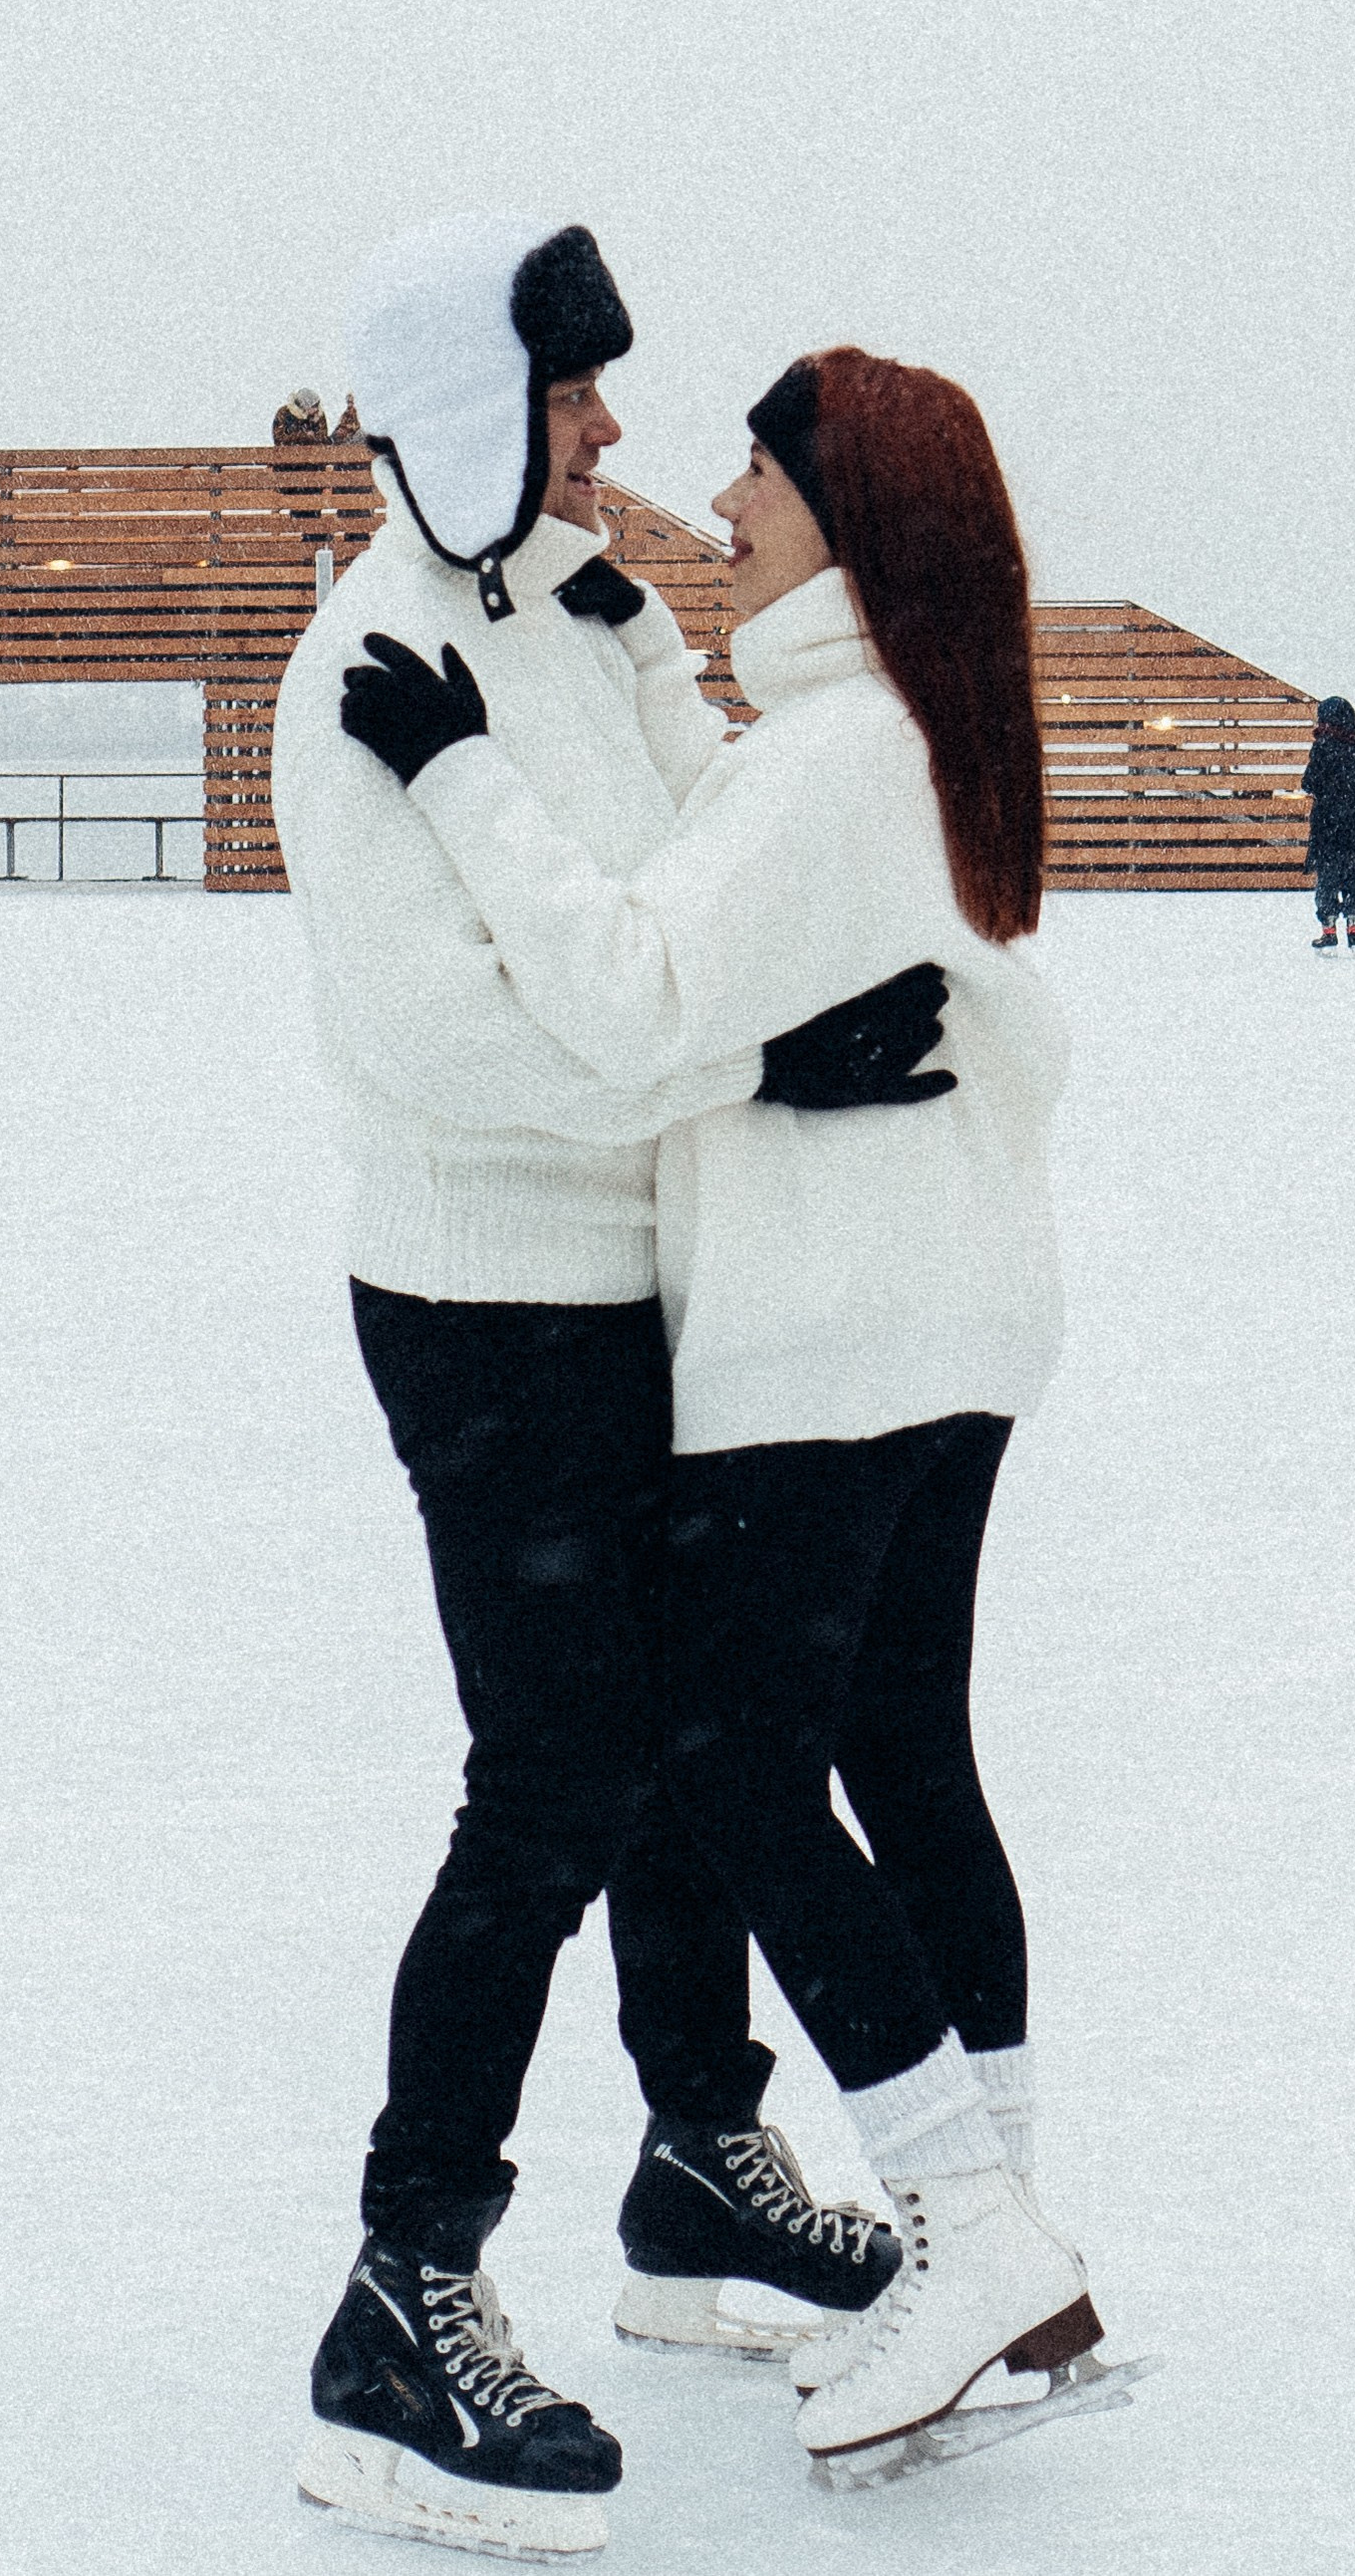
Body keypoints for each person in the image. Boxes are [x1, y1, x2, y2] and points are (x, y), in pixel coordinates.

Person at [348, 347, 1123, 2496]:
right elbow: (741, 840)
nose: (718, 495)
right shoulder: (906, 727)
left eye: (759, 468)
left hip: (821, 1331)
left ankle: (966, 2229)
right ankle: (1000, 2219)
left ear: (841, 511)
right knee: (903, 1750)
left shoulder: (833, 761)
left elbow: (628, 983)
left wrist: (459, 776)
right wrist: (636, 663)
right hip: (956, 1310)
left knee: (728, 1760)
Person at [272, 225, 944, 2557]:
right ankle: (403, 2284)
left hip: (654, 1265)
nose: (609, 432)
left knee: (681, 1746)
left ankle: (695, 2158)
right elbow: (444, 1046)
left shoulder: (597, 613)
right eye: (572, 395)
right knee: (553, 1769)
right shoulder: (363, 668)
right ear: (473, 407)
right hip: (481, 1293)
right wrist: (746, 1067)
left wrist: (736, 1023)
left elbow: (694, 894)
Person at [1300, 697, 1355, 948]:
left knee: (1328, 876)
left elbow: (1309, 782)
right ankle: (1354, 926)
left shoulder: (1323, 747)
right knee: (1354, 875)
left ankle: (1329, 929)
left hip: (1329, 822)